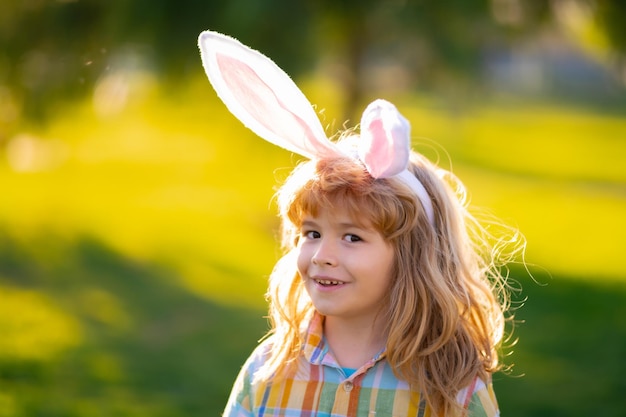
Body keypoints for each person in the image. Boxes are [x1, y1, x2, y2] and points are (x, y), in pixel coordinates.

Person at [198, 30, 524, 417]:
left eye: (352, 237)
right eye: (312, 233)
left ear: (411, 255)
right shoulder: (270, 369)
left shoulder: (451, 388)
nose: (322, 255)